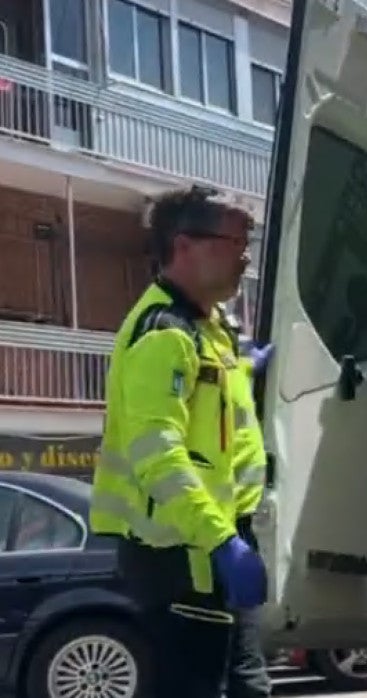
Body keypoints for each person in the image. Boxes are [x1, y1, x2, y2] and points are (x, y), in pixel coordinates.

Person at [89, 185, 268, 698]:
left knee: (248, 688)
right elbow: (157, 454)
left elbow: (210, 413)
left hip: (213, 542)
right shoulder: (164, 332)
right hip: (182, 553)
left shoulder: (209, 328)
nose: (247, 255)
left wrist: (250, 365)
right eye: (236, 240)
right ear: (185, 244)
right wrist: (221, 541)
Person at [225, 330, 275, 698]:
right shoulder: (176, 344)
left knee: (242, 653)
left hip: (231, 523)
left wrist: (247, 368)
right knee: (244, 659)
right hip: (220, 527)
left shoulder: (230, 376)